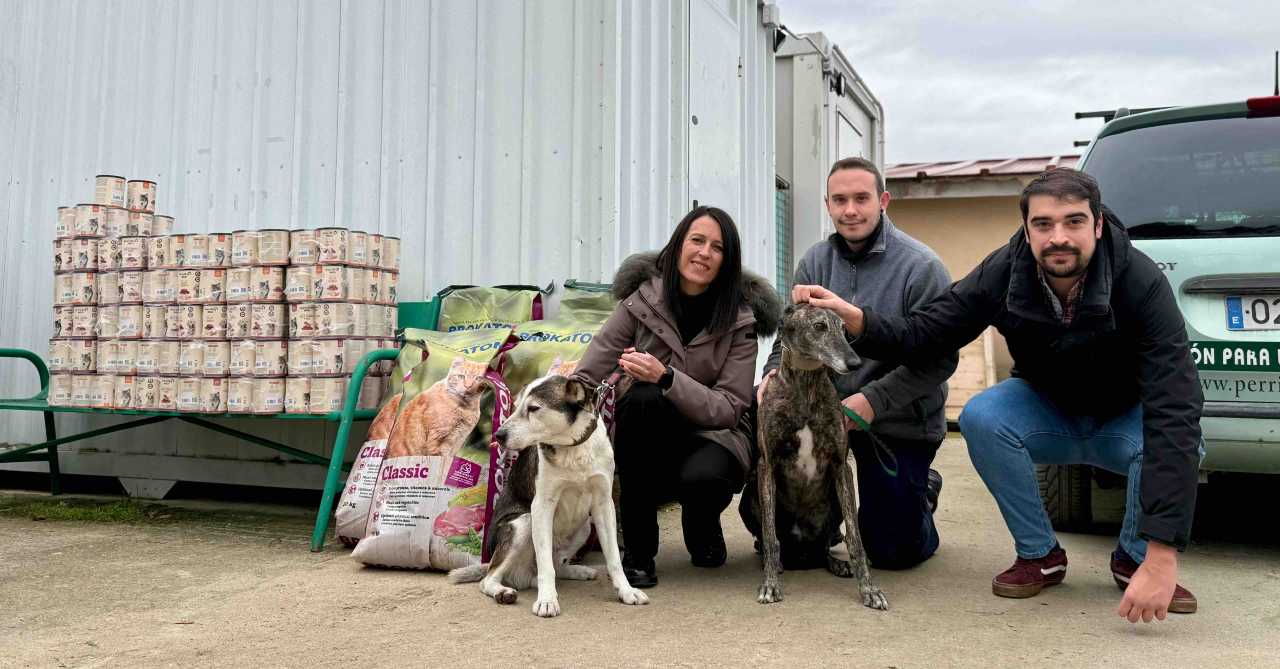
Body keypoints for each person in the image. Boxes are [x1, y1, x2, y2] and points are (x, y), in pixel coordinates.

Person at [794, 168, 1201, 623]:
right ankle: (1040, 553)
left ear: (1098, 224)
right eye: (1043, 224)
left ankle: (1134, 557)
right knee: (983, 415)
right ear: (1026, 231)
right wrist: (859, 321)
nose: (1058, 237)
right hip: (1046, 405)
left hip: (1124, 416)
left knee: (1181, 440)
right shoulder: (1006, 269)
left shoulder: (1141, 282)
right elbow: (928, 333)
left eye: (1073, 222)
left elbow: (1175, 405)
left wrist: (1162, 554)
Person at [743, 156, 956, 571]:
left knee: (892, 551)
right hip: (824, 410)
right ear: (828, 205)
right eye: (840, 200)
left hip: (894, 418)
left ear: (884, 201)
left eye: (861, 198)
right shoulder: (815, 261)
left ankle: (920, 493)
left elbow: (939, 361)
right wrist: (772, 370)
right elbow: (793, 332)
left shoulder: (922, 267)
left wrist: (871, 401)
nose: (850, 210)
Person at [574, 206, 781, 588]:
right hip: (650, 433)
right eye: (697, 240)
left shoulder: (740, 320)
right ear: (678, 245)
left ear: (727, 260)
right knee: (640, 399)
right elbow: (592, 368)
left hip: (715, 436)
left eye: (717, 247)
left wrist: (667, 376)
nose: (704, 253)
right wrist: (562, 399)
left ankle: (701, 523)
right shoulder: (642, 301)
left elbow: (730, 407)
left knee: (703, 476)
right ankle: (638, 553)